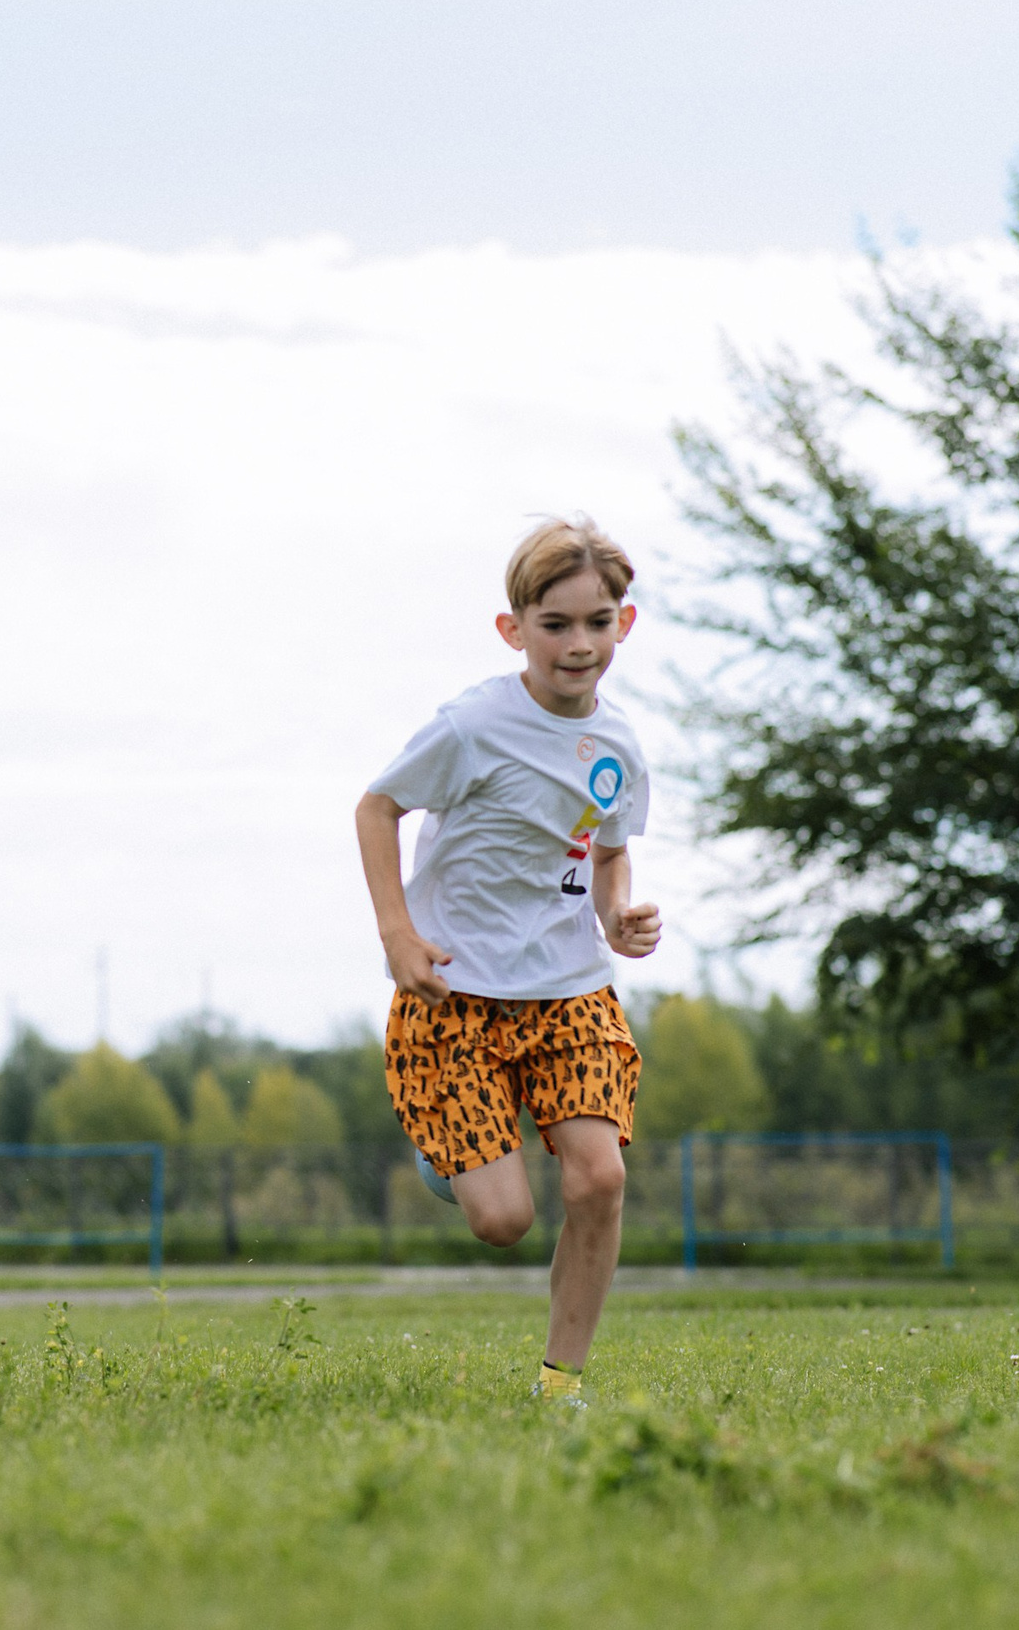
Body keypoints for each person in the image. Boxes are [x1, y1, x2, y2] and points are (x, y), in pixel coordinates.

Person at [353, 516, 660, 1407]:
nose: (578, 644)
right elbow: (377, 808)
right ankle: (444, 1152)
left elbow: (605, 852)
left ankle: (560, 1386)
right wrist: (397, 934)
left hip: (569, 990)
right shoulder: (474, 725)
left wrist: (618, 916)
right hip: (455, 993)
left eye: (597, 622)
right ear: (513, 629)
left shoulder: (622, 748)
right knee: (503, 1220)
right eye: (555, 624)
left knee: (600, 1176)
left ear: (623, 625)